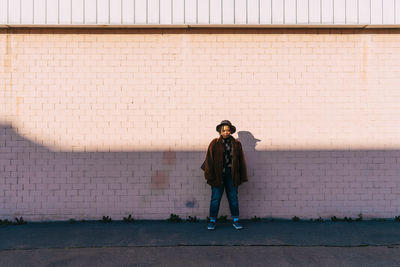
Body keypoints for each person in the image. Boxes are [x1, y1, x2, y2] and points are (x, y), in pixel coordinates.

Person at [203, 120, 248, 230]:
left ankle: (236, 220)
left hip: (231, 175)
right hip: (218, 175)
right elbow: (209, 160)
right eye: (224, 130)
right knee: (215, 199)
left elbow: (241, 161)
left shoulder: (237, 144)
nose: (226, 132)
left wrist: (241, 177)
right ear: (220, 131)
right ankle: (212, 221)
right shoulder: (214, 143)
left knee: (233, 198)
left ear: (231, 131)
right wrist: (210, 176)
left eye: (228, 130)